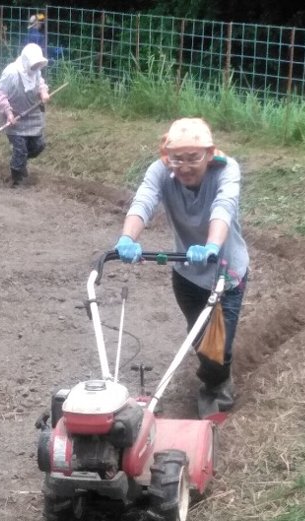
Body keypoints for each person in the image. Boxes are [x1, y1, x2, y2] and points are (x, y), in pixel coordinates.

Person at [113, 117, 250, 418]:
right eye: (177, 158)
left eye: (193, 158)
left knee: (217, 347)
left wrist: (212, 246)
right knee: (198, 337)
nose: (184, 166)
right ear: (167, 156)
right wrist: (126, 239)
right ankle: (213, 374)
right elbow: (144, 201)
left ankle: (218, 390)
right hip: (186, 273)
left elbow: (223, 207)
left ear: (209, 154)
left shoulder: (227, 171)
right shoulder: (160, 171)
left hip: (225, 274)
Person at [0, 43, 51, 187]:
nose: (37, 67)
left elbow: (40, 83)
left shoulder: (36, 71)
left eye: (38, 64)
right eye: (34, 64)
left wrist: (43, 92)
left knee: (38, 146)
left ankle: (20, 161)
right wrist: (8, 113)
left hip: (32, 114)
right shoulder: (11, 73)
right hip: (14, 116)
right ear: (26, 61)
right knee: (20, 149)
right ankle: (17, 179)